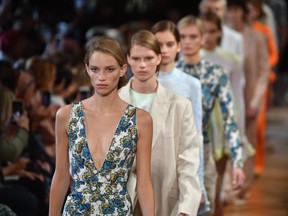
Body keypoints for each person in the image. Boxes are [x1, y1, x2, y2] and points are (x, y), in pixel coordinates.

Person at [49, 36, 155, 215]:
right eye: (95, 69)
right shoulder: (66, 116)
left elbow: (144, 182)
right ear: (86, 69)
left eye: (109, 69)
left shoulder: (140, 120)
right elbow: (61, 176)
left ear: (122, 70)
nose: (101, 78)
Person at [118, 29, 201, 216]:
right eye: (137, 59)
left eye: (148, 58)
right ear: (128, 59)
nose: (142, 65)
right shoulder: (114, 102)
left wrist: (187, 206)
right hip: (121, 197)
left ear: (158, 58)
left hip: (164, 197)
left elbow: (188, 159)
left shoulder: (180, 105)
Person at [176, 15, 245, 215]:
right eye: (183, 37)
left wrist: (238, 163)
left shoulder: (216, 73)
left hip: (203, 151)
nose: (188, 42)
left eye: (193, 36)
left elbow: (230, 119)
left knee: (205, 209)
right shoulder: (166, 74)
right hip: (172, 153)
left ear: (202, 38)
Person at [150, 20, 210, 216]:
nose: (165, 50)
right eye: (159, 45)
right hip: (147, 168)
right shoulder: (139, 84)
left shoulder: (191, 85)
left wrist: (198, 184)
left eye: (170, 44)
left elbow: (196, 137)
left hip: (180, 167)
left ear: (178, 46)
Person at [226, 0, 269, 204]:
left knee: (248, 141)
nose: (233, 14)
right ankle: (228, 187)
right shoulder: (222, 36)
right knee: (226, 142)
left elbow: (263, 71)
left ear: (243, 13)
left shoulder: (257, 37)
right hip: (227, 99)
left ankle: (243, 187)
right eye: (230, 10)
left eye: (236, 10)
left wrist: (255, 101)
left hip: (248, 98)